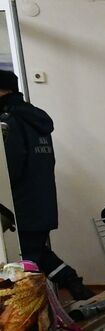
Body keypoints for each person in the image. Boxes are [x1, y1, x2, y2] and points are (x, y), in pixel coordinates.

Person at [0, 71, 92, 300]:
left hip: (20, 204)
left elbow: (10, 168)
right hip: (41, 201)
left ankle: (34, 317)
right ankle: (74, 284)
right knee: (36, 252)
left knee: (27, 262)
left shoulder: (9, 122)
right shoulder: (35, 119)